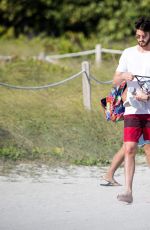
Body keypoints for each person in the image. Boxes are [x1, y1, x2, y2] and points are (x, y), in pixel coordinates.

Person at [112, 16, 150, 203]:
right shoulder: (128, 53)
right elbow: (116, 79)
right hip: (132, 110)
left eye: (143, 36)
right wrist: (124, 75)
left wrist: (148, 96)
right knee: (129, 148)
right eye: (137, 36)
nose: (140, 39)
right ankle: (128, 191)